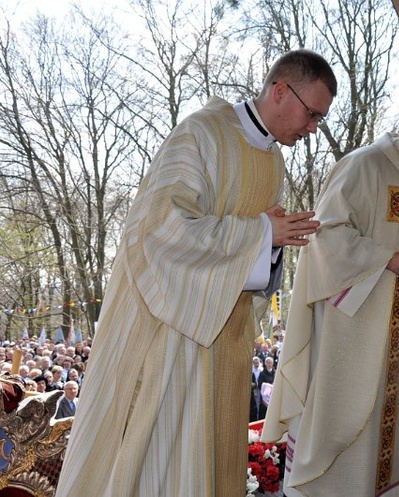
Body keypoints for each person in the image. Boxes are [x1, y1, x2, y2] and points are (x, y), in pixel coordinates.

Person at [56, 49, 337, 497]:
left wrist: (272, 241)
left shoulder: (273, 160)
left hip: (225, 337)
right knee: (161, 460)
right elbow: (159, 228)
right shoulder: (201, 134)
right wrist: (262, 233)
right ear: (281, 90)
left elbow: (258, 250)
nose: (312, 129)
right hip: (171, 329)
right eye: (312, 114)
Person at [262, 110, 399, 496]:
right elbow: (327, 232)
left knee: (379, 419)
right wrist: (388, 259)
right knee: (339, 409)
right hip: (349, 321)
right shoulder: (362, 165)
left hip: (392, 322)